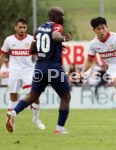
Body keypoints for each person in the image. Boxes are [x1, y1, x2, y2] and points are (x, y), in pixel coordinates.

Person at [5, 6, 72, 134]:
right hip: (54, 68)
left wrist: (55, 47)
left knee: (32, 96)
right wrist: (63, 39)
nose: (63, 18)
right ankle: (59, 129)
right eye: (61, 16)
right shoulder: (57, 26)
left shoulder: (39, 28)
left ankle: (13, 113)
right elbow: (55, 35)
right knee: (65, 97)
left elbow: (32, 50)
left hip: (39, 67)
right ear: (54, 16)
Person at [80, 17, 116, 134]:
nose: (102, 31)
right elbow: (89, 60)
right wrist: (82, 72)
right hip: (113, 68)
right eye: (98, 29)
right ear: (94, 30)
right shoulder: (94, 44)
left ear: (107, 27)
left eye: (103, 28)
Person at [0, 18, 45, 130]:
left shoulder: (32, 40)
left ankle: (36, 119)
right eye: (20, 27)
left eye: (24, 27)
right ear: (15, 27)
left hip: (28, 72)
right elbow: (2, 56)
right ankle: (10, 121)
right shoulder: (9, 40)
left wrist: (42, 69)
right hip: (14, 72)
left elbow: (38, 56)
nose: (22, 29)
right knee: (13, 96)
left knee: (35, 96)